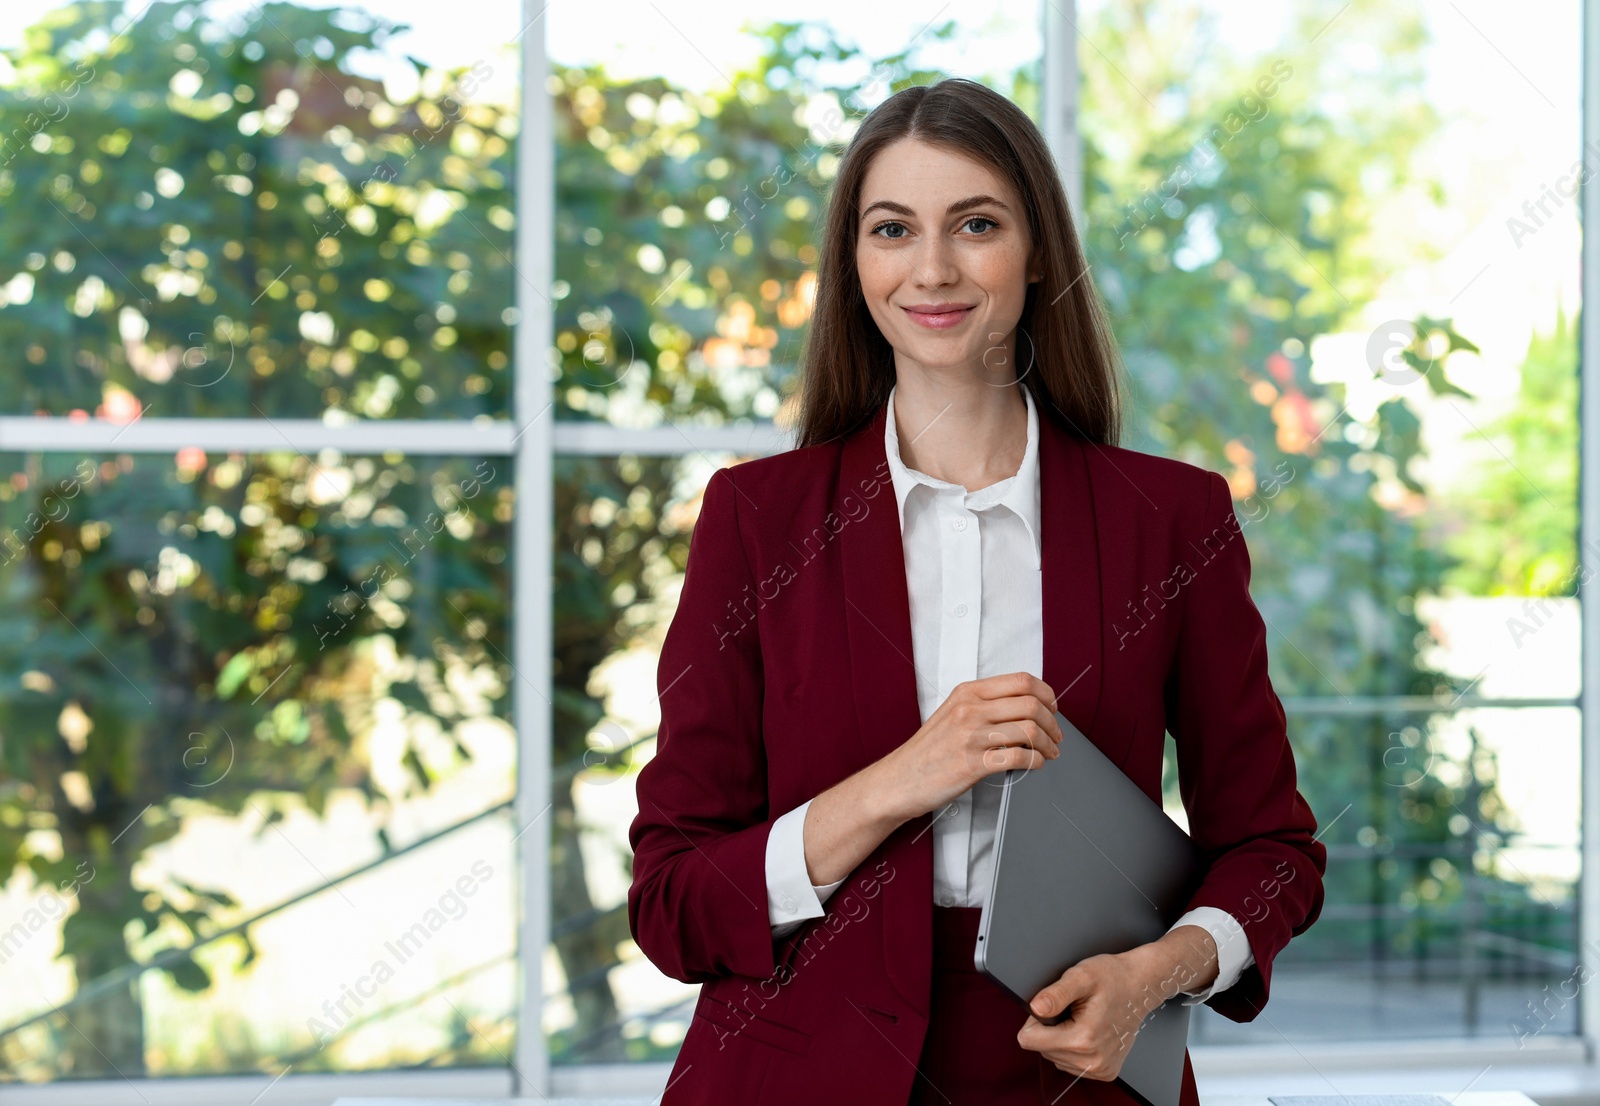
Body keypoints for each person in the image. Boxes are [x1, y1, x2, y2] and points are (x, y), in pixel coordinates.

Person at [627, 76, 1325, 1106]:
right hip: (796, 1071)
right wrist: (906, 776)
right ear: (854, 259)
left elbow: (1273, 849)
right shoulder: (756, 519)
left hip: (1072, 1071)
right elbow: (673, 900)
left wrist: (1157, 972)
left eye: (977, 224)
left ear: (1036, 247)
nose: (934, 267)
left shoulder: (1169, 519)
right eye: (892, 229)